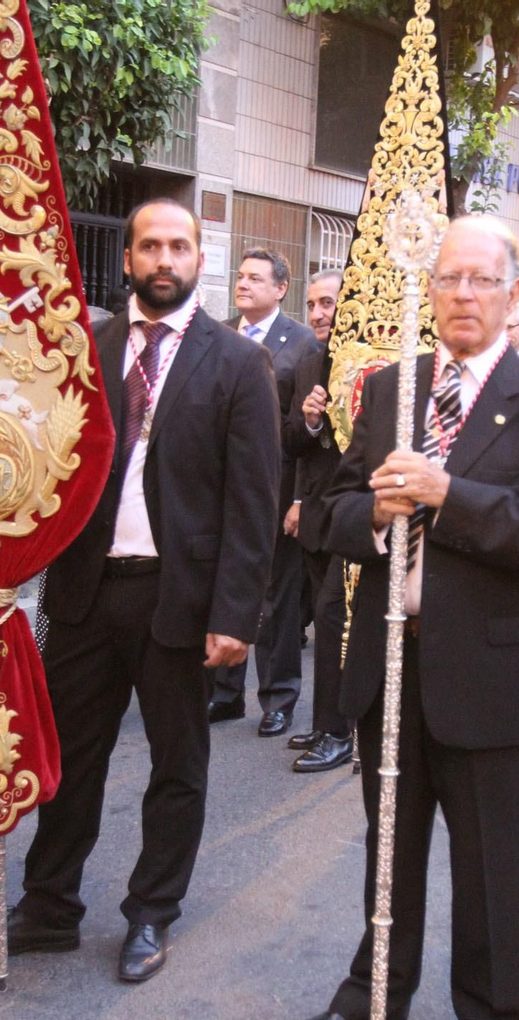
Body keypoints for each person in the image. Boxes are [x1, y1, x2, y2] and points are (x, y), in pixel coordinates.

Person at [284, 216, 519, 1020]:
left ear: (513, 292)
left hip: (486, 669)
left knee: (494, 864)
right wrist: (376, 515)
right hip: (390, 662)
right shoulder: (392, 386)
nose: (465, 295)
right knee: (390, 848)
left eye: (483, 280)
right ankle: (374, 993)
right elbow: (338, 508)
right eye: (451, 279)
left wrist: (447, 493)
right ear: (430, 290)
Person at [0, 199, 279, 982]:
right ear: (127, 260)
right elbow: (39, 462)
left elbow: (254, 501)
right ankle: (50, 907)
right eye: (150, 246)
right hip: (86, 593)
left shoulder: (236, 363)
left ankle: (151, 912)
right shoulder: (82, 349)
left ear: (200, 260)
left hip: (180, 596)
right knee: (69, 759)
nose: (164, 259)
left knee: (177, 765)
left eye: (179, 246)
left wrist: (236, 614)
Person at [207, 247, 320, 737]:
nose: (243, 283)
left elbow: (304, 430)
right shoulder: (218, 335)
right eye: (240, 275)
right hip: (219, 486)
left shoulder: (301, 344)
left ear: (280, 289)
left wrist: (298, 498)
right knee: (225, 586)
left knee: (275, 597)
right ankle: (224, 693)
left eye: (255, 277)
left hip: (276, 485)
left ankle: (278, 697)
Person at [286, 268, 353, 772]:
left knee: (332, 619)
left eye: (327, 303)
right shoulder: (310, 362)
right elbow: (292, 445)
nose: (317, 314)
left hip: (354, 515)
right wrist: (310, 420)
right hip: (315, 513)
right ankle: (326, 719)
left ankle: (339, 730)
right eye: (312, 304)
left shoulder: (372, 364)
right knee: (322, 618)